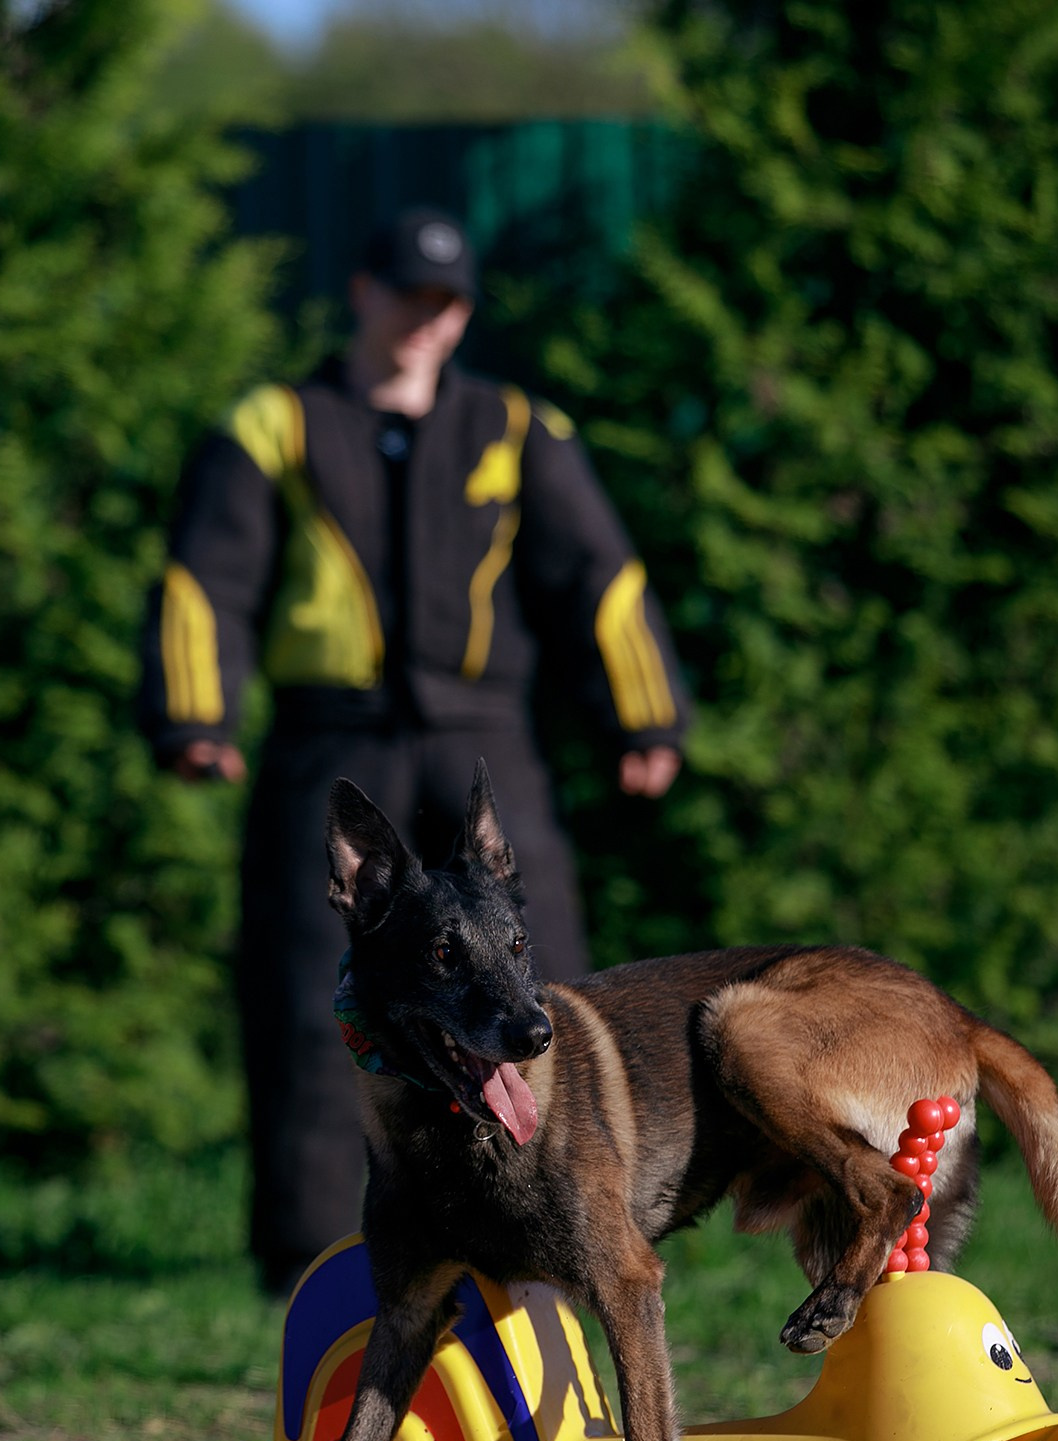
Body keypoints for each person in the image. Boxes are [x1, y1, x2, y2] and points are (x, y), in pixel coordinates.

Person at [137, 206, 691, 1293]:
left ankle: (561, 1226)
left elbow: (600, 576)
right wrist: (196, 715)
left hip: (484, 734)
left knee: (544, 984)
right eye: (403, 298)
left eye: (442, 306)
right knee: (310, 993)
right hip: (329, 740)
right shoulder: (274, 423)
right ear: (362, 294)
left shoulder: (519, 424)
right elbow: (208, 574)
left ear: (462, 314)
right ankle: (311, 1258)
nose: (420, 322)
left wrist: (645, 715)